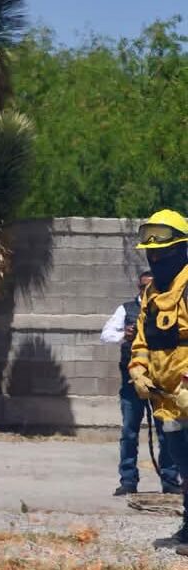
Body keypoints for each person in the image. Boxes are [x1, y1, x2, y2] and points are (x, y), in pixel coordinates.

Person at [126, 209, 188, 547]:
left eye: (162, 252)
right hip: (167, 399)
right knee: (182, 464)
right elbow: (142, 340)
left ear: (180, 249)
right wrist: (138, 371)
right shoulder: (151, 294)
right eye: (151, 253)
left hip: (186, 391)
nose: (156, 258)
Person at [100, 271, 181, 495]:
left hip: (160, 382)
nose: (148, 290)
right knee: (129, 432)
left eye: (152, 286)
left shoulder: (169, 307)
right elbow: (105, 334)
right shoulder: (126, 309)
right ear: (139, 287)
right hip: (132, 382)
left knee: (167, 431)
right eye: (144, 286)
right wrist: (123, 335)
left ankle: (170, 480)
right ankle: (128, 481)